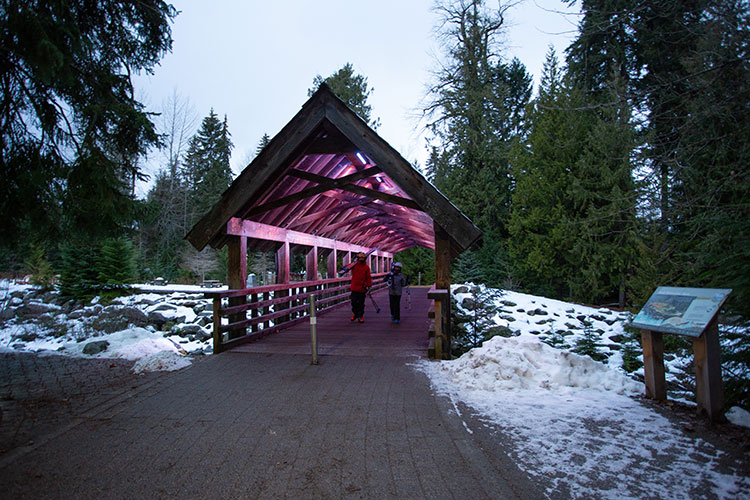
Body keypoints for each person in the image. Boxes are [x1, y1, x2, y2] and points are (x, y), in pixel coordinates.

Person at [349, 252, 372, 323]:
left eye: (363, 257)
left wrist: (369, 285)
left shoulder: (366, 267)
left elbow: (368, 277)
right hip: (354, 287)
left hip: (362, 288)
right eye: (360, 257)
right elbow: (347, 267)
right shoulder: (354, 265)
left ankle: (360, 315)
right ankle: (355, 313)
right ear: (358, 258)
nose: (361, 259)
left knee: (361, 303)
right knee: (353, 302)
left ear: (365, 258)